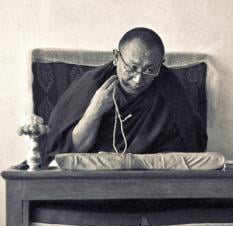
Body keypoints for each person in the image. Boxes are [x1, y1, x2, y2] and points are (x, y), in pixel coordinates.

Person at [46, 27, 207, 164]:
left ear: (161, 63)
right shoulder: (92, 85)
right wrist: (95, 109)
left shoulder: (170, 89)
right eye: (131, 68)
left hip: (149, 179)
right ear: (116, 58)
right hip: (97, 178)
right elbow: (72, 150)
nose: (138, 79)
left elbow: (189, 147)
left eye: (150, 70)